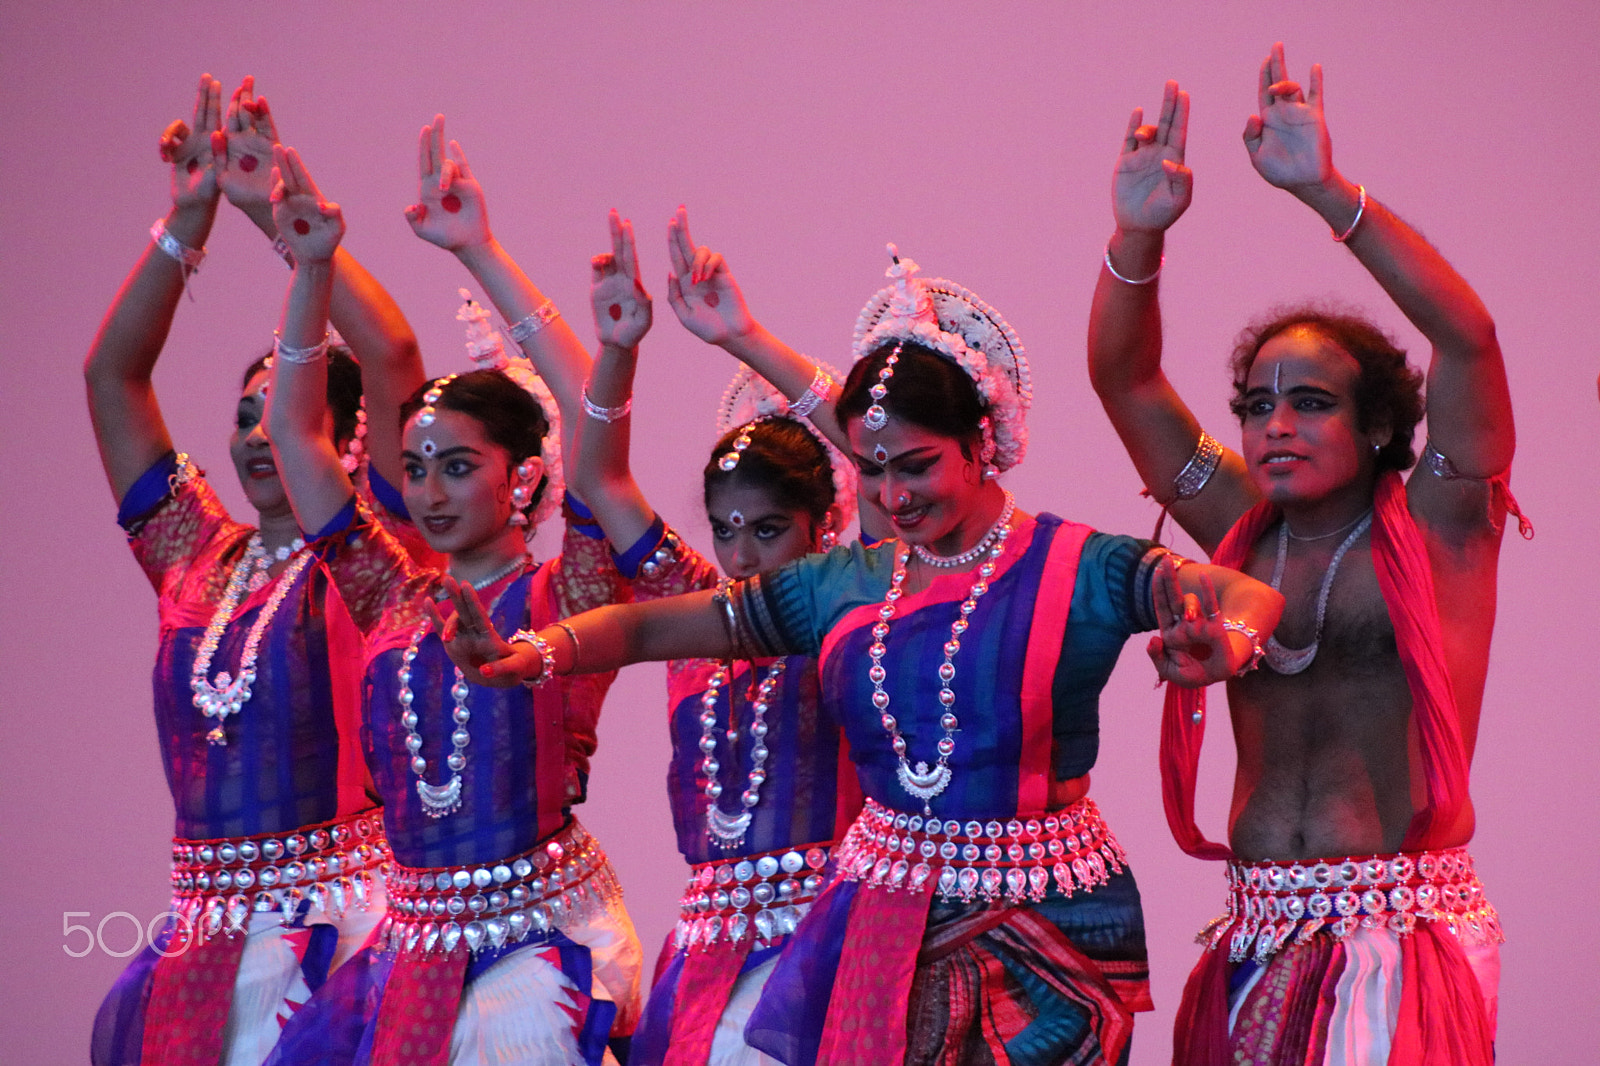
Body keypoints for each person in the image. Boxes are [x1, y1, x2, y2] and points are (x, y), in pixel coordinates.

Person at [432, 247, 1284, 1064]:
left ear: (982, 441)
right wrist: (534, 653)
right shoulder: (840, 584)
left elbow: (1244, 590)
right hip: (884, 925)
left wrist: (1228, 641)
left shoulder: (1078, 566)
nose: (894, 495)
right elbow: (655, 628)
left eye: (917, 466)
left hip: (1052, 925)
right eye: (872, 472)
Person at [1086, 47, 1524, 1065]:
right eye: (1255, 405)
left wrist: (1328, 194)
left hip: (1396, 946)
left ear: (1377, 424)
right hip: (1252, 937)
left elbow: (1469, 342)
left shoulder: (1440, 522)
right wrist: (1135, 238)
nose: (1273, 424)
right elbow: (1125, 379)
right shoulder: (1239, 531)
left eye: (1310, 402)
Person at [260, 125, 640, 1066]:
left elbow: (589, 399)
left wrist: (477, 248)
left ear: (523, 478)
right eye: (418, 467)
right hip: (408, 947)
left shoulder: (571, 590)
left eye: (458, 467)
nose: (426, 492)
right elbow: (297, 437)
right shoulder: (390, 593)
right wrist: (312, 271)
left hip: (540, 950)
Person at [87, 75, 424, 1066]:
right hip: (202, 944)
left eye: (286, 414)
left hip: (347, 938)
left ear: (351, 441)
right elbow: (114, 378)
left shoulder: (369, 561)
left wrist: (282, 227)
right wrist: (187, 220)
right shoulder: (196, 558)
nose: (258, 434)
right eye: (243, 416)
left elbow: (397, 355)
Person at [567, 208, 862, 1065]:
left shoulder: (854, 603)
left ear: (825, 524)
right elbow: (598, 479)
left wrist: (745, 336)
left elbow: (884, 457)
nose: (741, 554)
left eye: (768, 529)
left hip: (828, 955)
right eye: (727, 530)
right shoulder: (696, 611)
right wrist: (619, 351)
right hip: (704, 962)